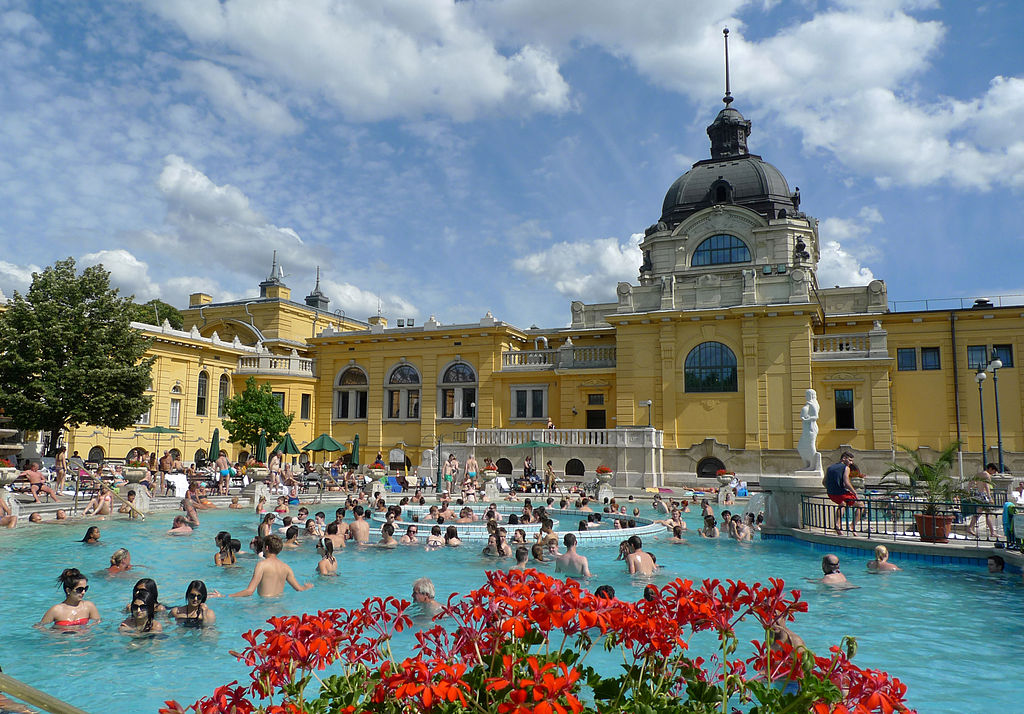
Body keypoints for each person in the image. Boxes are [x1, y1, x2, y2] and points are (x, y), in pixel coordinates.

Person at [229, 534, 313, 597]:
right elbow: (299, 589)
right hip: (280, 606)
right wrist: (307, 587)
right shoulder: (286, 567)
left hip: (265, 607)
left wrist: (228, 596)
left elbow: (250, 591)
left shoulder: (262, 565)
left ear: (266, 548)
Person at [824, 452, 862, 535]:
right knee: (861, 505)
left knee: (842, 504)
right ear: (844, 458)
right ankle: (852, 526)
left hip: (831, 493)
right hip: (841, 493)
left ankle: (838, 525)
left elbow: (824, 482)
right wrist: (855, 493)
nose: (851, 463)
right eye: (850, 460)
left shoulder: (829, 467)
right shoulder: (846, 468)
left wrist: (832, 488)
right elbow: (846, 483)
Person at [965, 463, 998, 537]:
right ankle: (993, 532)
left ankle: (970, 527)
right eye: (994, 471)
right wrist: (989, 497)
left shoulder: (979, 474)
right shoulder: (986, 475)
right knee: (988, 513)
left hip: (979, 495)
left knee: (979, 513)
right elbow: (987, 486)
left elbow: (970, 482)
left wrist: (968, 492)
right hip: (984, 496)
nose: (994, 473)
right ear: (990, 469)